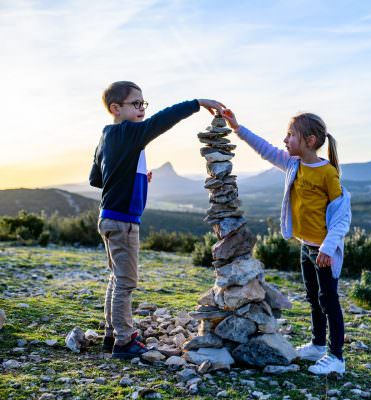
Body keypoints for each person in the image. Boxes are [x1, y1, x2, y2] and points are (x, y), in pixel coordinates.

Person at [89, 81, 225, 359]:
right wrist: (196, 102)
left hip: (108, 218)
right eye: (135, 104)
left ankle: (112, 334)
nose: (141, 109)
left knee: (117, 279)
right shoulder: (130, 132)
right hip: (123, 221)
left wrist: (134, 176)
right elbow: (162, 121)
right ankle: (124, 343)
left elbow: (96, 179)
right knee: (126, 282)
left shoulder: (106, 136)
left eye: (143, 104)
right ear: (116, 108)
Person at [222, 109, 351, 375]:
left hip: (323, 251)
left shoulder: (328, 174)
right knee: (314, 299)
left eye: (291, 135)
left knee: (329, 301)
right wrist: (238, 128)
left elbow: (341, 217)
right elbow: (266, 149)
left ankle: (336, 356)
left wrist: (327, 249)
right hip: (307, 246)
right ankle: (317, 344)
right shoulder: (294, 164)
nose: (285, 139)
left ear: (310, 141)